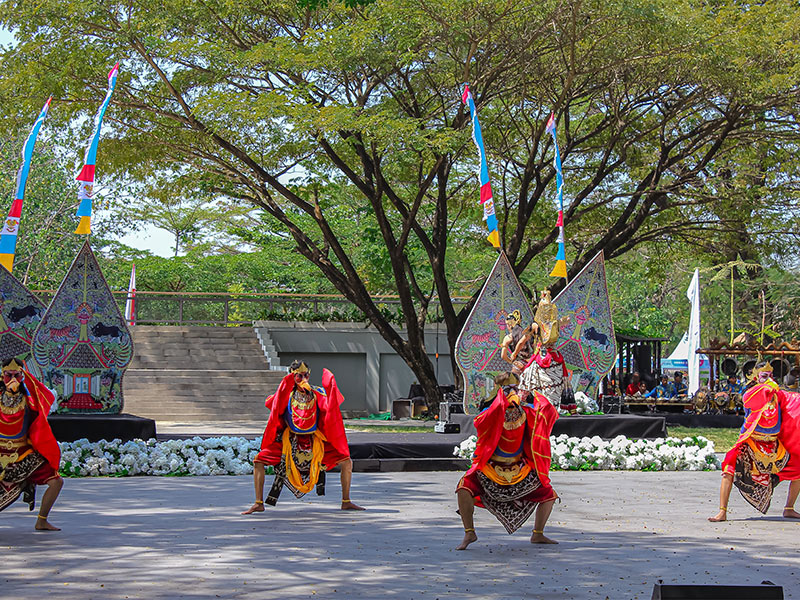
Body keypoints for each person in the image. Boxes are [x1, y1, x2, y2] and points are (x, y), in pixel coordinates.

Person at [242, 360, 364, 513]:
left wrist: (330, 389)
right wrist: (284, 389)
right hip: (289, 442)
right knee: (258, 460)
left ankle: (346, 501)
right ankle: (258, 503)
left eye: (305, 375)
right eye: (299, 376)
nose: (303, 379)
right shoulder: (285, 394)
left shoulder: (317, 393)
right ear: (292, 376)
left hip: (315, 442)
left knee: (346, 461)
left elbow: (329, 407)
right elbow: (271, 404)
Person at [455, 372, 559, 550]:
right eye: (508, 389)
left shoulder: (526, 410)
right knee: (464, 488)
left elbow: (547, 411)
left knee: (548, 494)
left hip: (520, 469)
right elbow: (481, 422)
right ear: (499, 391)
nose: (513, 392)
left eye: (515, 389)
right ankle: (469, 532)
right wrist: (501, 403)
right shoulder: (490, 412)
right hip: (491, 468)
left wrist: (532, 396)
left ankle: (538, 534)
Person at [708, 362, 800, 522]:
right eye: (765, 375)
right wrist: (766, 387)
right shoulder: (751, 394)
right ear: (756, 377)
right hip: (751, 443)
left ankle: (789, 508)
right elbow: (753, 399)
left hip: (773, 445)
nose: (770, 379)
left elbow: (793, 407)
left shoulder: (778, 396)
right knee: (729, 468)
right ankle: (722, 512)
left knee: (798, 468)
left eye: (771, 375)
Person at [0, 358, 63, 530]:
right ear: (2, 375)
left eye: (17, 375)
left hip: (23, 453)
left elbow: (45, 404)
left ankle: (41, 520)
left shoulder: (30, 397)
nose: (12, 379)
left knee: (56, 482)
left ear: (22, 375)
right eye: (8, 375)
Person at [516, 290, 574, 413]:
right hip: (547, 357)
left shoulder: (545, 324)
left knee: (528, 379)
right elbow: (567, 320)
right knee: (528, 379)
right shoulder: (549, 323)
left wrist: (515, 352)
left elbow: (523, 339)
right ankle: (522, 406)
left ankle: (544, 409)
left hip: (547, 357)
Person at [500, 310, 534, 377]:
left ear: (509, 324)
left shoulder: (508, 338)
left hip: (518, 365)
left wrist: (511, 361)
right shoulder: (526, 334)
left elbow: (503, 356)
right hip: (530, 364)